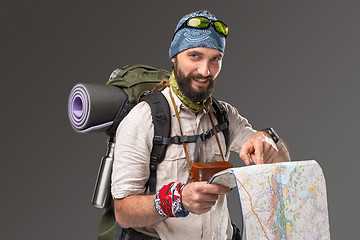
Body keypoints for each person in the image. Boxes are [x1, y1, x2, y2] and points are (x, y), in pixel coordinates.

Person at [111, 10, 290, 240]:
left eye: (215, 59)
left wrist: (266, 139)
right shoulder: (143, 120)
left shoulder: (224, 115)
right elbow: (123, 212)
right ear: (174, 57)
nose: (205, 71)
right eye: (195, 56)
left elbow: (282, 164)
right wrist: (177, 201)